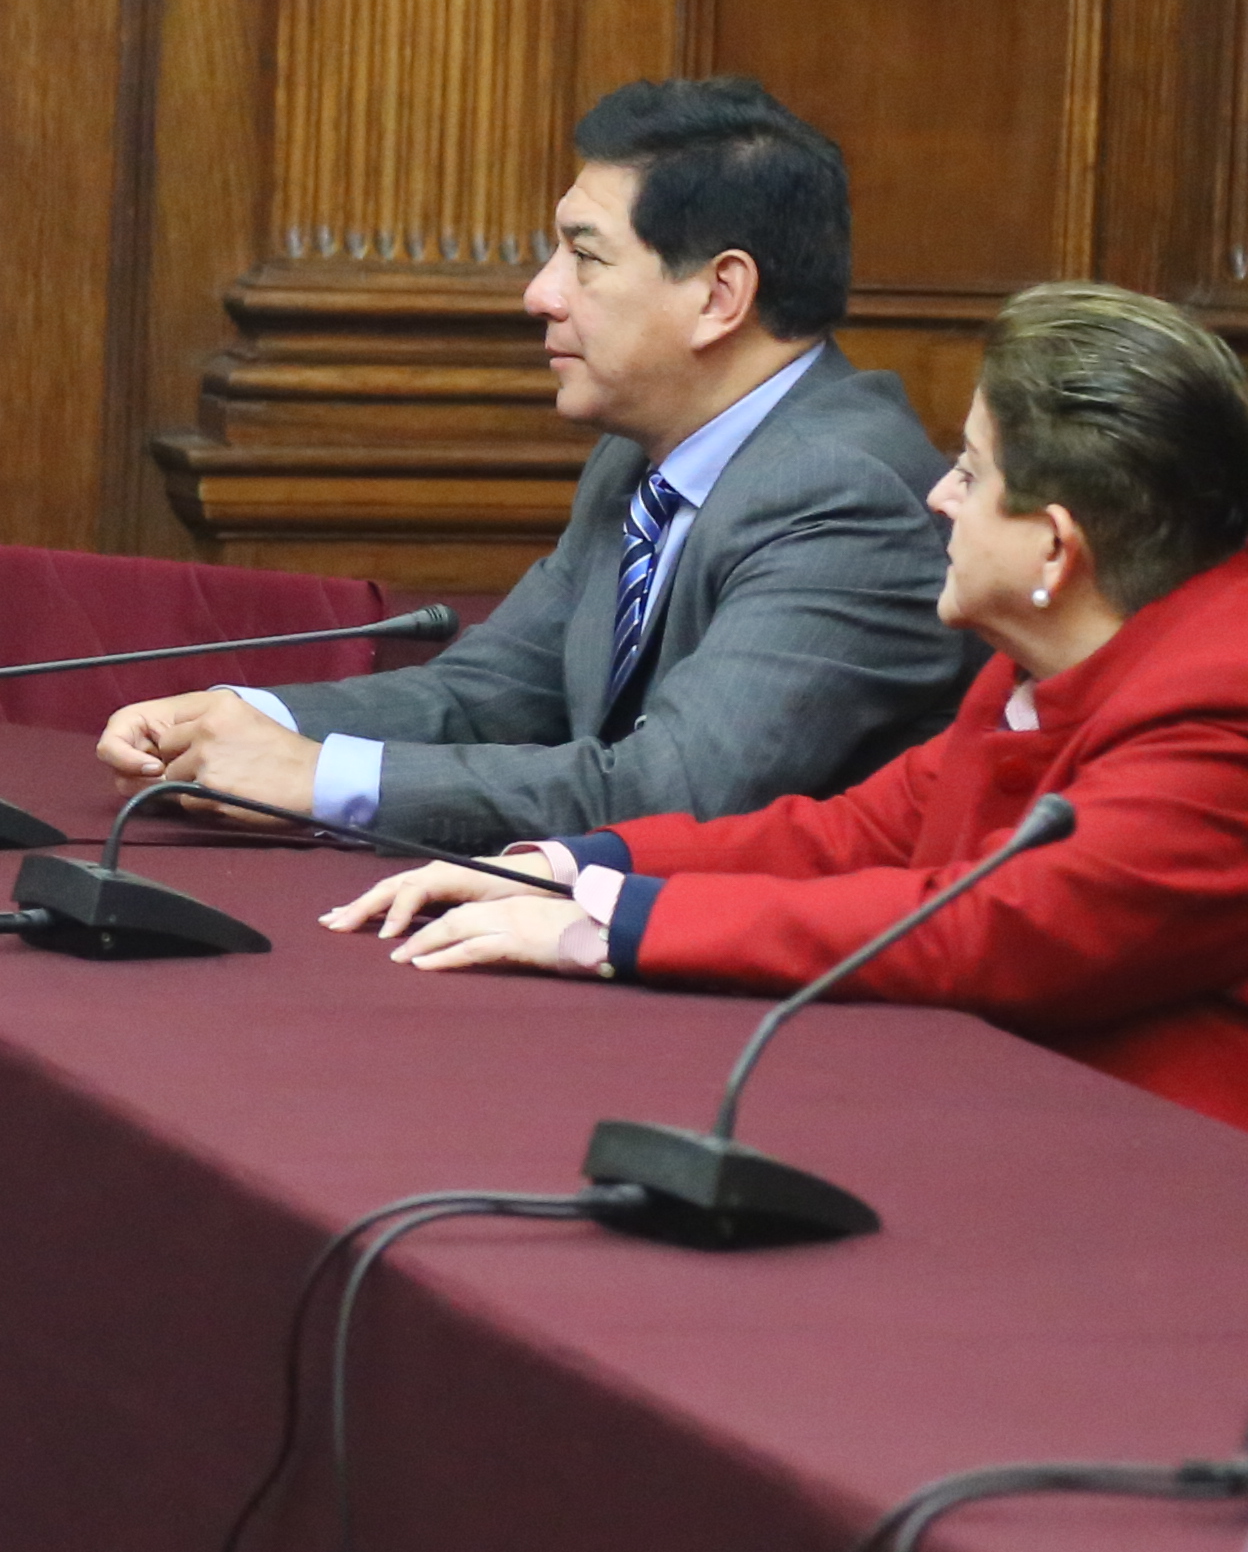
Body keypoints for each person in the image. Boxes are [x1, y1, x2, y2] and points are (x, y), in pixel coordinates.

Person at [326, 283, 1248, 1131]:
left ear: (1054, 549)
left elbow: (999, 929)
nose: (938, 497)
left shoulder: (1215, 704)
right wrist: (568, 866)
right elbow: (854, 835)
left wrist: (612, 927)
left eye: (970, 474)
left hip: (1166, 1182)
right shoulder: (1047, 663)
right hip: (1005, 1115)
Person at [96, 78, 974, 851]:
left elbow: (672, 791)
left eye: (585, 257)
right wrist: (245, 724)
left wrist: (315, 780)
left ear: (719, 295)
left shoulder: (840, 491)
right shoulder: (638, 456)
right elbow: (494, 691)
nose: (540, 293)